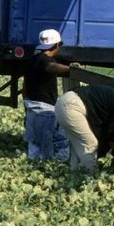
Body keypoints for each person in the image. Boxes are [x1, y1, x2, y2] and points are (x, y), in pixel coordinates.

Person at [23, 29, 79, 161]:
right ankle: (50, 166)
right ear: (57, 45)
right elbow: (51, 67)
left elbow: (24, 86)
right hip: (44, 109)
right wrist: (70, 69)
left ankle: (35, 167)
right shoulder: (45, 61)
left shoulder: (32, 59)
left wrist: (25, 103)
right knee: (49, 144)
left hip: (32, 106)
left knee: (35, 144)